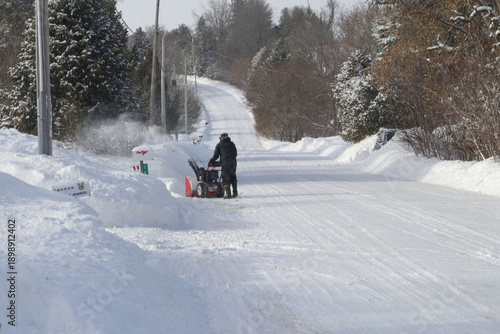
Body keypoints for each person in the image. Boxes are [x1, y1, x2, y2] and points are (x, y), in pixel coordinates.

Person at [210, 133, 238, 199]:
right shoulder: (232, 144)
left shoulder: (219, 145)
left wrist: (211, 160)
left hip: (225, 163)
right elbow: (235, 153)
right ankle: (235, 193)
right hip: (233, 162)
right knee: (233, 176)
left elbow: (216, 156)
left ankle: (228, 194)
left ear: (221, 138)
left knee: (225, 178)